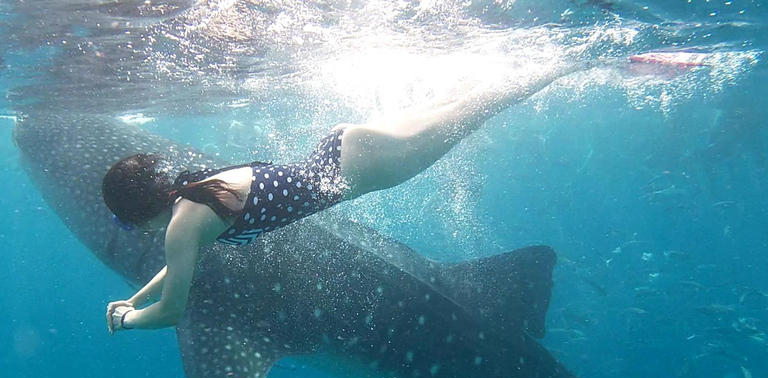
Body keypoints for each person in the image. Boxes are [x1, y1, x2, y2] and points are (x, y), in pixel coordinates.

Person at [104, 61, 585, 333]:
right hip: (343, 148)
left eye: (126, 225)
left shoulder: (183, 225)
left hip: (364, 166)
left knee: (476, 109)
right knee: (459, 102)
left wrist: (128, 323)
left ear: (138, 212)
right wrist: (131, 298)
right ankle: (530, 56)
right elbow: (179, 265)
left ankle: (577, 56)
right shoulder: (193, 196)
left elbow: (173, 309)